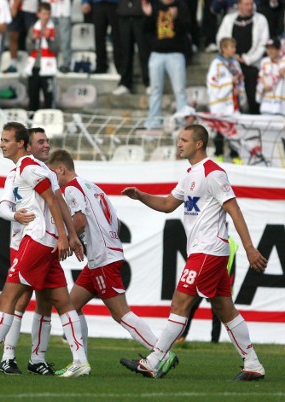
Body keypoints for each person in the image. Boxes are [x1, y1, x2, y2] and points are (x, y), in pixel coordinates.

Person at [120, 123, 268, 381]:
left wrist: (249, 248)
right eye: (179, 139)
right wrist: (141, 195)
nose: (179, 144)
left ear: (198, 144)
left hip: (208, 250)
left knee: (180, 301)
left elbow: (233, 209)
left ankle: (154, 361)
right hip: (205, 251)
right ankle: (253, 364)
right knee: (225, 308)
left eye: (184, 140)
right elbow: (167, 204)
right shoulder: (190, 174)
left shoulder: (213, 173)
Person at [0, 122, 91, 378]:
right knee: (62, 302)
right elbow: (58, 199)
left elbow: (52, 200)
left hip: (37, 239)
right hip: (48, 241)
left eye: (6, 140)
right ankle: (80, 360)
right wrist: (69, 237)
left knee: (8, 296)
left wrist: (64, 237)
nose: (1, 145)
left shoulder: (28, 167)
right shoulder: (38, 168)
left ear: (20, 144)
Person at [46, 148, 179, 377]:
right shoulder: (93, 187)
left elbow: (79, 220)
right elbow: (116, 224)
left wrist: (66, 240)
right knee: (69, 306)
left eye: (52, 174)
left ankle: (162, 353)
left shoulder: (70, 189)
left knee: (121, 314)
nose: (51, 181)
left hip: (103, 259)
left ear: (61, 169)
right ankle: (81, 362)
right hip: (101, 258)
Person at [0, 127, 85, 376]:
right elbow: (3, 206)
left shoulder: (46, 173)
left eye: (47, 141)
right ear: (28, 145)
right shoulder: (18, 172)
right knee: (20, 299)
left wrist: (70, 235)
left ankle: (37, 358)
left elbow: (59, 204)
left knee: (47, 301)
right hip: (23, 242)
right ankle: (7, 356)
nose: (46, 145)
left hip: (44, 242)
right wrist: (15, 214)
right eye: (41, 142)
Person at [143, 0, 191, 129]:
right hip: (156, 53)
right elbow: (146, 30)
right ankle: (153, 121)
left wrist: (174, 20)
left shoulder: (181, 6)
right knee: (155, 90)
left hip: (176, 53)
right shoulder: (154, 6)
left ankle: (183, 121)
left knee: (180, 90)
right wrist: (148, 16)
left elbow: (187, 29)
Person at [216, 0, 269, 115]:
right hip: (231, 64)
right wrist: (230, 56)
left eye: (251, 4)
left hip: (252, 65)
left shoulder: (261, 20)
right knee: (233, 95)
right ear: (239, 5)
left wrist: (247, 59)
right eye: (246, 4)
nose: (249, 7)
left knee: (252, 96)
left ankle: (254, 119)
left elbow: (262, 44)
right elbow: (221, 39)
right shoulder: (229, 19)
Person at [206, 37, 244, 164]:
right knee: (219, 129)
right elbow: (212, 82)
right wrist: (229, 82)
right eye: (231, 47)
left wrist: (238, 87)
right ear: (223, 48)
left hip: (232, 102)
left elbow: (239, 78)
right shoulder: (216, 64)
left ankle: (235, 154)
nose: (234, 49)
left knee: (234, 129)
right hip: (220, 103)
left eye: (234, 47)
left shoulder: (235, 63)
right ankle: (219, 154)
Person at [113, 0, 150, 95]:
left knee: (144, 51)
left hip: (141, 14)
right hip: (124, 14)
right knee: (125, 52)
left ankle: (149, 82)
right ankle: (125, 84)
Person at [25, 2, 58, 111]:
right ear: (38, 14)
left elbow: (56, 50)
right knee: (33, 98)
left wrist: (48, 39)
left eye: (48, 14)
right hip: (34, 68)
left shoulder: (54, 29)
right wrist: (33, 40)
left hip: (48, 69)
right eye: (43, 14)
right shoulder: (33, 28)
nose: (46, 17)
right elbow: (29, 50)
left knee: (49, 98)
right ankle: (31, 124)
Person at [81, 0, 121, 75]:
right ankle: (100, 66)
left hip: (116, 4)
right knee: (99, 36)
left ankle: (120, 67)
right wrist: (85, 2)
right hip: (98, 3)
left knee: (117, 37)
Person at [4, 0, 38, 74]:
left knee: (33, 36)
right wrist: (7, 6)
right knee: (13, 35)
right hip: (14, 7)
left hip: (29, 8)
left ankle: (35, 64)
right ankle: (13, 64)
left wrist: (15, 6)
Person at [256, 37, 285, 116]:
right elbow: (260, 79)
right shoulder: (264, 61)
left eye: (273, 48)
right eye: (268, 48)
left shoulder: (283, 61)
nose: (270, 51)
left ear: (279, 49)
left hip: (281, 107)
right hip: (267, 105)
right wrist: (263, 86)